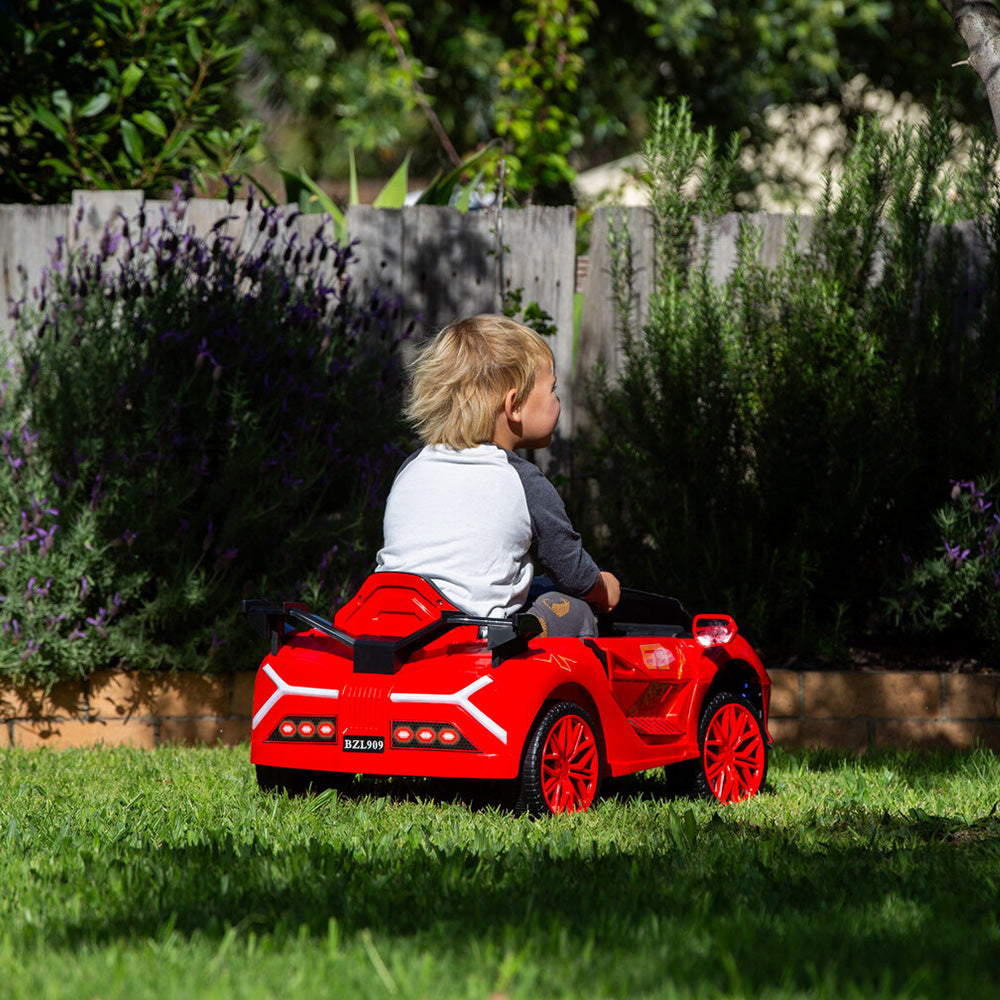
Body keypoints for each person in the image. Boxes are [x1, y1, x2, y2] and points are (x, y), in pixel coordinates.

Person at [375, 314, 620, 637]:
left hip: (390, 627)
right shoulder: (522, 481)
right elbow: (573, 573)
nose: (556, 400)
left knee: (532, 587)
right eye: (552, 389)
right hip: (470, 640)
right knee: (573, 608)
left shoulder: (412, 466)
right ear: (514, 405)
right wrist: (605, 587)